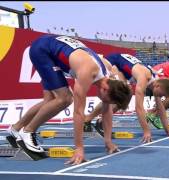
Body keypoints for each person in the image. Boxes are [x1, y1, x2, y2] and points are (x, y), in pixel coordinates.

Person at [6, 35, 132, 165]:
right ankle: (28, 131)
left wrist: (108, 141)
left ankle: (15, 128)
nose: (104, 103)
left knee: (49, 101)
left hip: (51, 49)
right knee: (65, 99)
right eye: (107, 100)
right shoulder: (87, 73)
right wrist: (79, 148)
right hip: (42, 50)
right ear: (106, 89)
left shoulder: (108, 76)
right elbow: (78, 113)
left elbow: (106, 113)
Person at [84, 53, 169, 143]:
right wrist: (146, 131)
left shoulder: (156, 82)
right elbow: (139, 108)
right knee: (116, 94)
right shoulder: (144, 78)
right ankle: (88, 120)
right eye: (162, 94)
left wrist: (167, 129)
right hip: (114, 63)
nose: (161, 97)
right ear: (158, 86)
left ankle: (100, 120)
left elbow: (161, 108)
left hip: (124, 68)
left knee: (125, 97)